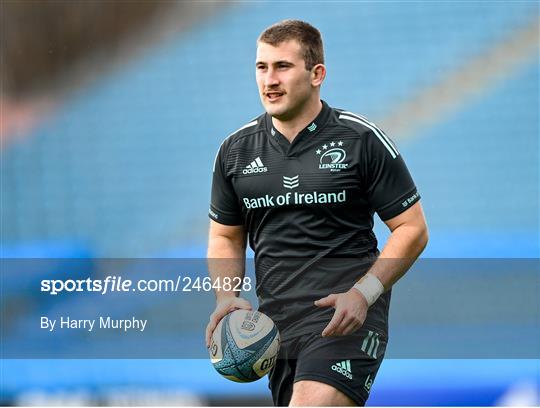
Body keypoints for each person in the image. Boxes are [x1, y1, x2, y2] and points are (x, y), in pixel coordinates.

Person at [206, 19, 428, 406]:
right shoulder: (235, 151)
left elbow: (413, 228)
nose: (269, 80)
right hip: (274, 327)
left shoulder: (360, 139)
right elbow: (225, 235)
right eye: (262, 67)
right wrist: (226, 298)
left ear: (317, 74)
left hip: (347, 319)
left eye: (283, 67)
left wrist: (364, 293)